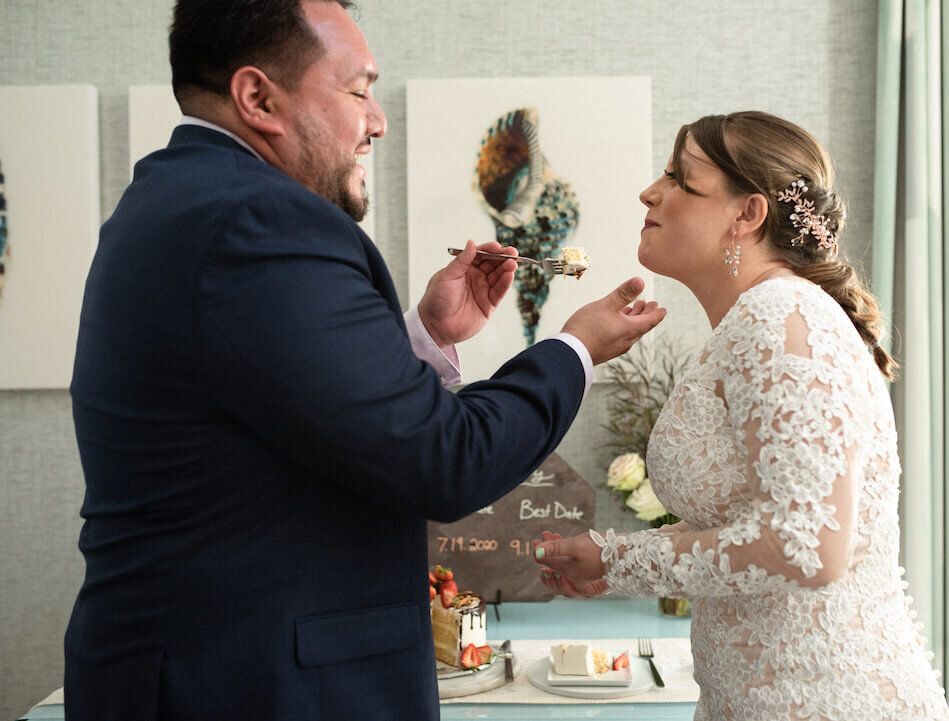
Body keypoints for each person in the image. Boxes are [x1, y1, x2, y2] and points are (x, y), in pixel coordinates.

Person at [62, 1, 665, 719]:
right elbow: (448, 460)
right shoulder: (261, 220)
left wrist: (423, 337)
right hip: (254, 686)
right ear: (259, 98)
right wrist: (575, 348)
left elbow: (279, 410)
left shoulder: (171, 200)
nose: (377, 120)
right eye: (358, 90)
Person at [532, 112, 949, 721]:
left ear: (747, 214)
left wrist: (619, 561)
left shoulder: (779, 318)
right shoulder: (758, 321)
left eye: (679, 178)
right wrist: (612, 557)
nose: (650, 192)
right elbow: (752, 519)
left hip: (822, 700)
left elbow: (808, 547)